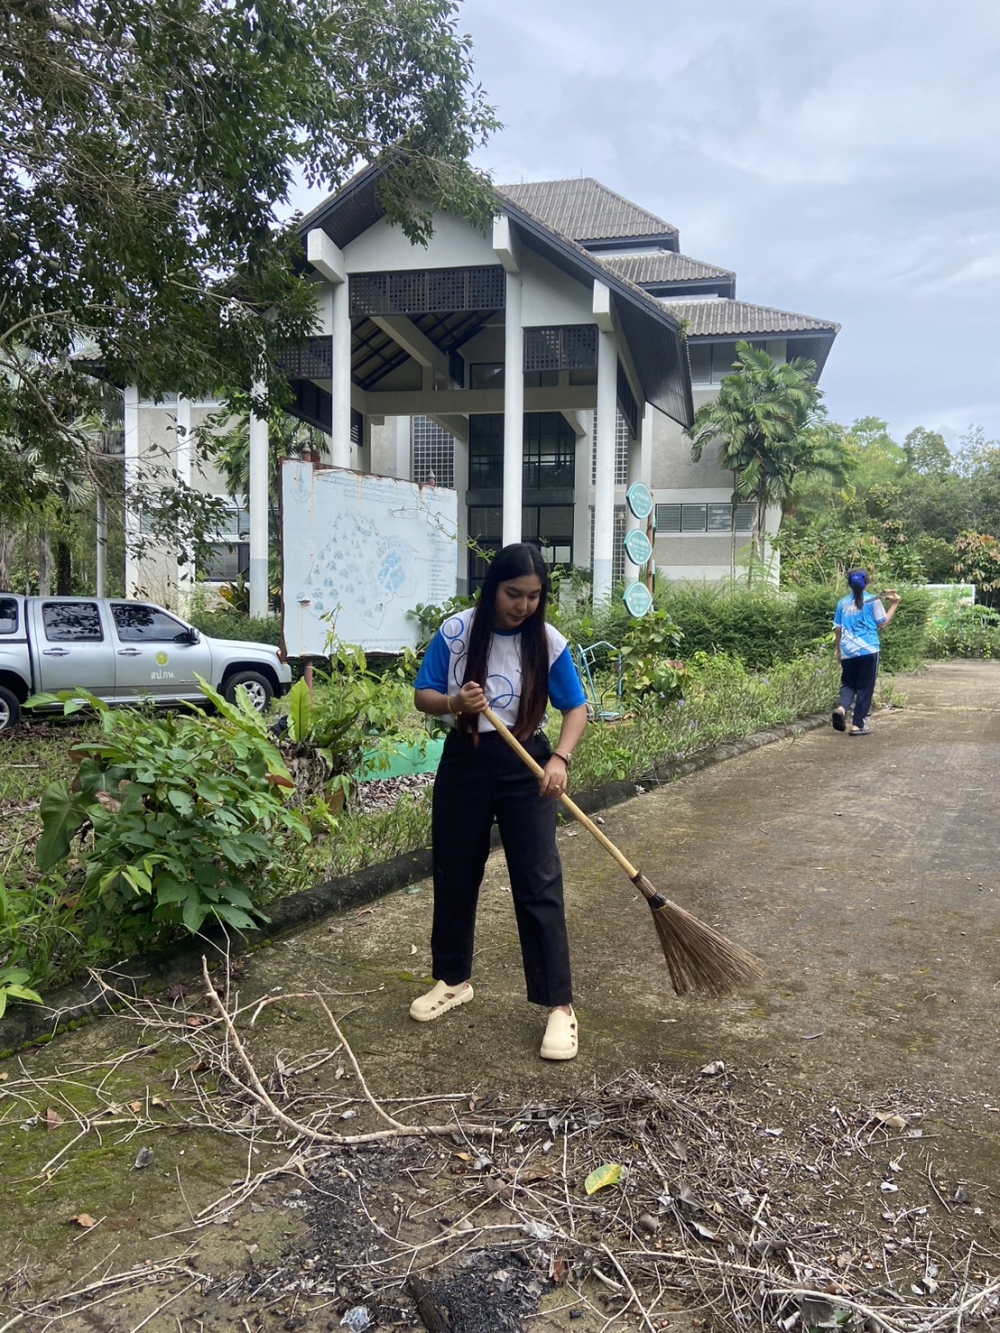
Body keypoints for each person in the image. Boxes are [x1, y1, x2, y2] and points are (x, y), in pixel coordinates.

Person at [411, 543, 589, 1061]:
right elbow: (423, 695)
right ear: (492, 588)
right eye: (514, 594)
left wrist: (560, 759)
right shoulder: (457, 632)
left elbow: (576, 708)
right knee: (455, 870)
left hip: (527, 764)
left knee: (538, 880)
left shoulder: (548, 642)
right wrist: (454, 702)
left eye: (534, 596)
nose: (523, 606)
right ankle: (453, 980)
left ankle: (559, 1005)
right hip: (465, 762)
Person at [831, 568, 901, 736]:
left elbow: (838, 629)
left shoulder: (842, 603)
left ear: (849, 584)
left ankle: (842, 708)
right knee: (865, 687)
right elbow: (882, 623)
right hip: (868, 649)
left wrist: (839, 651)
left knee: (848, 683)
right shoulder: (873, 601)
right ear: (867, 582)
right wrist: (895, 604)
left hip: (848, 650)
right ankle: (858, 725)